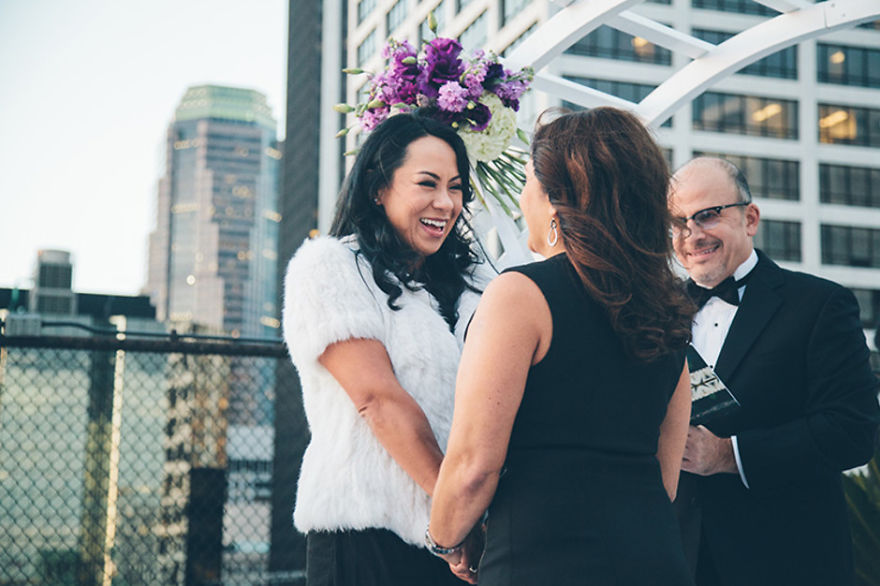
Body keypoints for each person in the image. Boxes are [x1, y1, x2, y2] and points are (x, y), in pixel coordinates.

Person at [427, 107, 697, 585]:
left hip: (543, 559)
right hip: (653, 559)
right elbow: (666, 477)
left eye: (529, 181)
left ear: (557, 201)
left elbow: (472, 465)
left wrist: (447, 539)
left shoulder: (520, 296)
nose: (523, 197)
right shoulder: (668, 305)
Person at [282, 112, 488, 586]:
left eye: (456, 187)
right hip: (366, 537)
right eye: (427, 183)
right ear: (379, 188)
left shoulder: (479, 283)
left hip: (464, 538)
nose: (445, 202)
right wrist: (454, 516)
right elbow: (377, 400)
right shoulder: (331, 267)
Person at [668, 156, 880, 586]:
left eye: (707, 215)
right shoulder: (655, 312)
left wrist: (729, 455)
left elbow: (853, 432)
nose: (691, 235)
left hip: (784, 563)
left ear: (750, 218)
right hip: (672, 562)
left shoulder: (820, 305)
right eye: (677, 222)